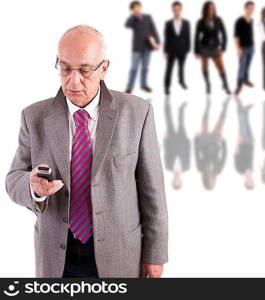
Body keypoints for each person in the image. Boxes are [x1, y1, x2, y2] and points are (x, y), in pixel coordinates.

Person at [5, 26, 168, 278]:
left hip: (120, 253)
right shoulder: (33, 116)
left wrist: (155, 256)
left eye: (84, 70)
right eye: (65, 68)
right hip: (56, 256)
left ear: (104, 68)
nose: (73, 80)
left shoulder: (137, 113)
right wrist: (32, 186)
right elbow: (13, 177)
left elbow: (152, 190)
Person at [194, 1, 231, 95]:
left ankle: (225, 84)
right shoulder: (200, 21)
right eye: (209, 8)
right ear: (205, 9)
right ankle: (208, 84)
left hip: (215, 47)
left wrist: (223, 48)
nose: (211, 10)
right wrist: (196, 51)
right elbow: (196, 37)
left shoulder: (219, 20)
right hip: (204, 47)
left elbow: (224, 34)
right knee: (204, 67)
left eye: (213, 8)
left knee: (221, 67)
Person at [125, 1, 160, 94]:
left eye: (138, 7)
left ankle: (144, 85)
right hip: (137, 47)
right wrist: (133, 16)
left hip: (147, 47)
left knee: (145, 67)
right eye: (135, 8)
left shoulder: (148, 17)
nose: (137, 9)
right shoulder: (133, 19)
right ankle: (129, 87)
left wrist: (158, 42)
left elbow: (154, 29)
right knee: (134, 68)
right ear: (133, 9)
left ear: (141, 7)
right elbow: (127, 25)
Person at [195, 97, 230, 190]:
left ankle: (208, 103)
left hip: (204, 142)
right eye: (212, 182)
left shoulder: (200, 168)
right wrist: (223, 142)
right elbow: (224, 156)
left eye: (208, 182)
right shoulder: (219, 170)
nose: (210, 180)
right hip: (215, 142)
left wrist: (196, 140)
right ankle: (226, 104)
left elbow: (196, 153)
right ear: (214, 181)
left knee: (204, 121)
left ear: (205, 180)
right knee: (221, 121)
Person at [163, 1, 191, 95]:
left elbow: (188, 36)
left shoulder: (186, 23)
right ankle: (167, 86)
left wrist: (187, 48)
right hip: (171, 50)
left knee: (181, 67)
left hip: (182, 50)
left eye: (178, 9)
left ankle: (181, 82)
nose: (176, 11)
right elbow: (166, 38)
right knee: (169, 69)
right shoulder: (168, 23)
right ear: (172, 10)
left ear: (181, 10)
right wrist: (166, 51)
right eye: (175, 10)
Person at [164, 97, 190, 190]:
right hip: (182, 140)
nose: (177, 179)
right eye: (178, 181)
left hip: (171, 140)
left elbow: (166, 152)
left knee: (169, 121)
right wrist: (187, 141)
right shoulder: (186, 167)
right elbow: (188, 153)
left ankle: (166, 103)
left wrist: (165, 139)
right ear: (181, 181)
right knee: (181, 123)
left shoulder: (168, 166)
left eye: (175, 181)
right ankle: (182, 109)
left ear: (172, 180)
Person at [234, 1, 256, 95]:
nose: (251, 10)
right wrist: (238, 48)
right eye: (249, 8)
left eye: (253, 8)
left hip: (251, 47)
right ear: (245, 8)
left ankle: (246, 80)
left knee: (248, 65)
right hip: (242, 48)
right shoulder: (239, 20)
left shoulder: (252, 20)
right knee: (241, 67)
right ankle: (239, 85)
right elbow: (236, 36)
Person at [234, 98, 255, 189]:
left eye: (249, 182)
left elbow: (236, 154)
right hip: (251, 143)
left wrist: (238, 142)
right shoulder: (252, 170)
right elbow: (251, 155)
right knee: (247, 124)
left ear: (245, 182)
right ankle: (245, 111)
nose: (251, 180)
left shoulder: (239, 170)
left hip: (242, 143)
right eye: (253, 182)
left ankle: (239, 103)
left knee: (242, 124)